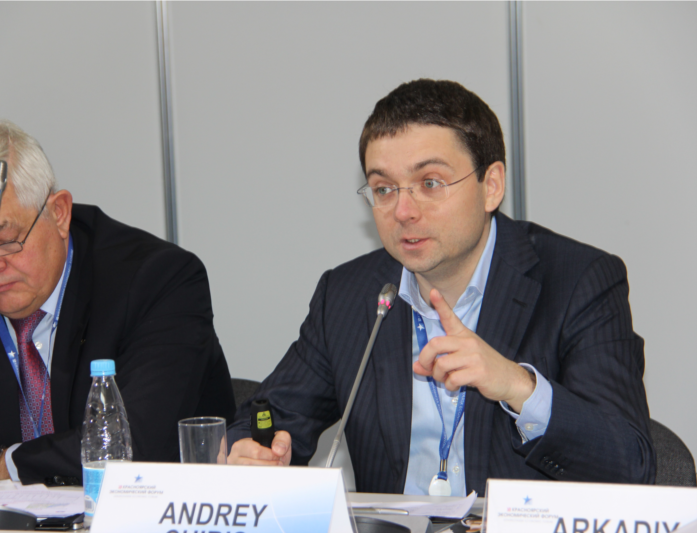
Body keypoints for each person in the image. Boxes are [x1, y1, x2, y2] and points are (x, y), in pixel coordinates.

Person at [226, 79, 655, 495]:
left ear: (491, 186)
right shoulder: (348, 294)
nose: (403, 211)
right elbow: (264, 419)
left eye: (430, 183)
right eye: (383, 189)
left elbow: (630, 465)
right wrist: (252, 451)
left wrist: (517, 385)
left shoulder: (579, 281)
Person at [0, 120, 235, 484]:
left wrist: (5, 466)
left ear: (58, 213)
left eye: (6, 242)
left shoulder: (158, 280)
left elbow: (133, 444)